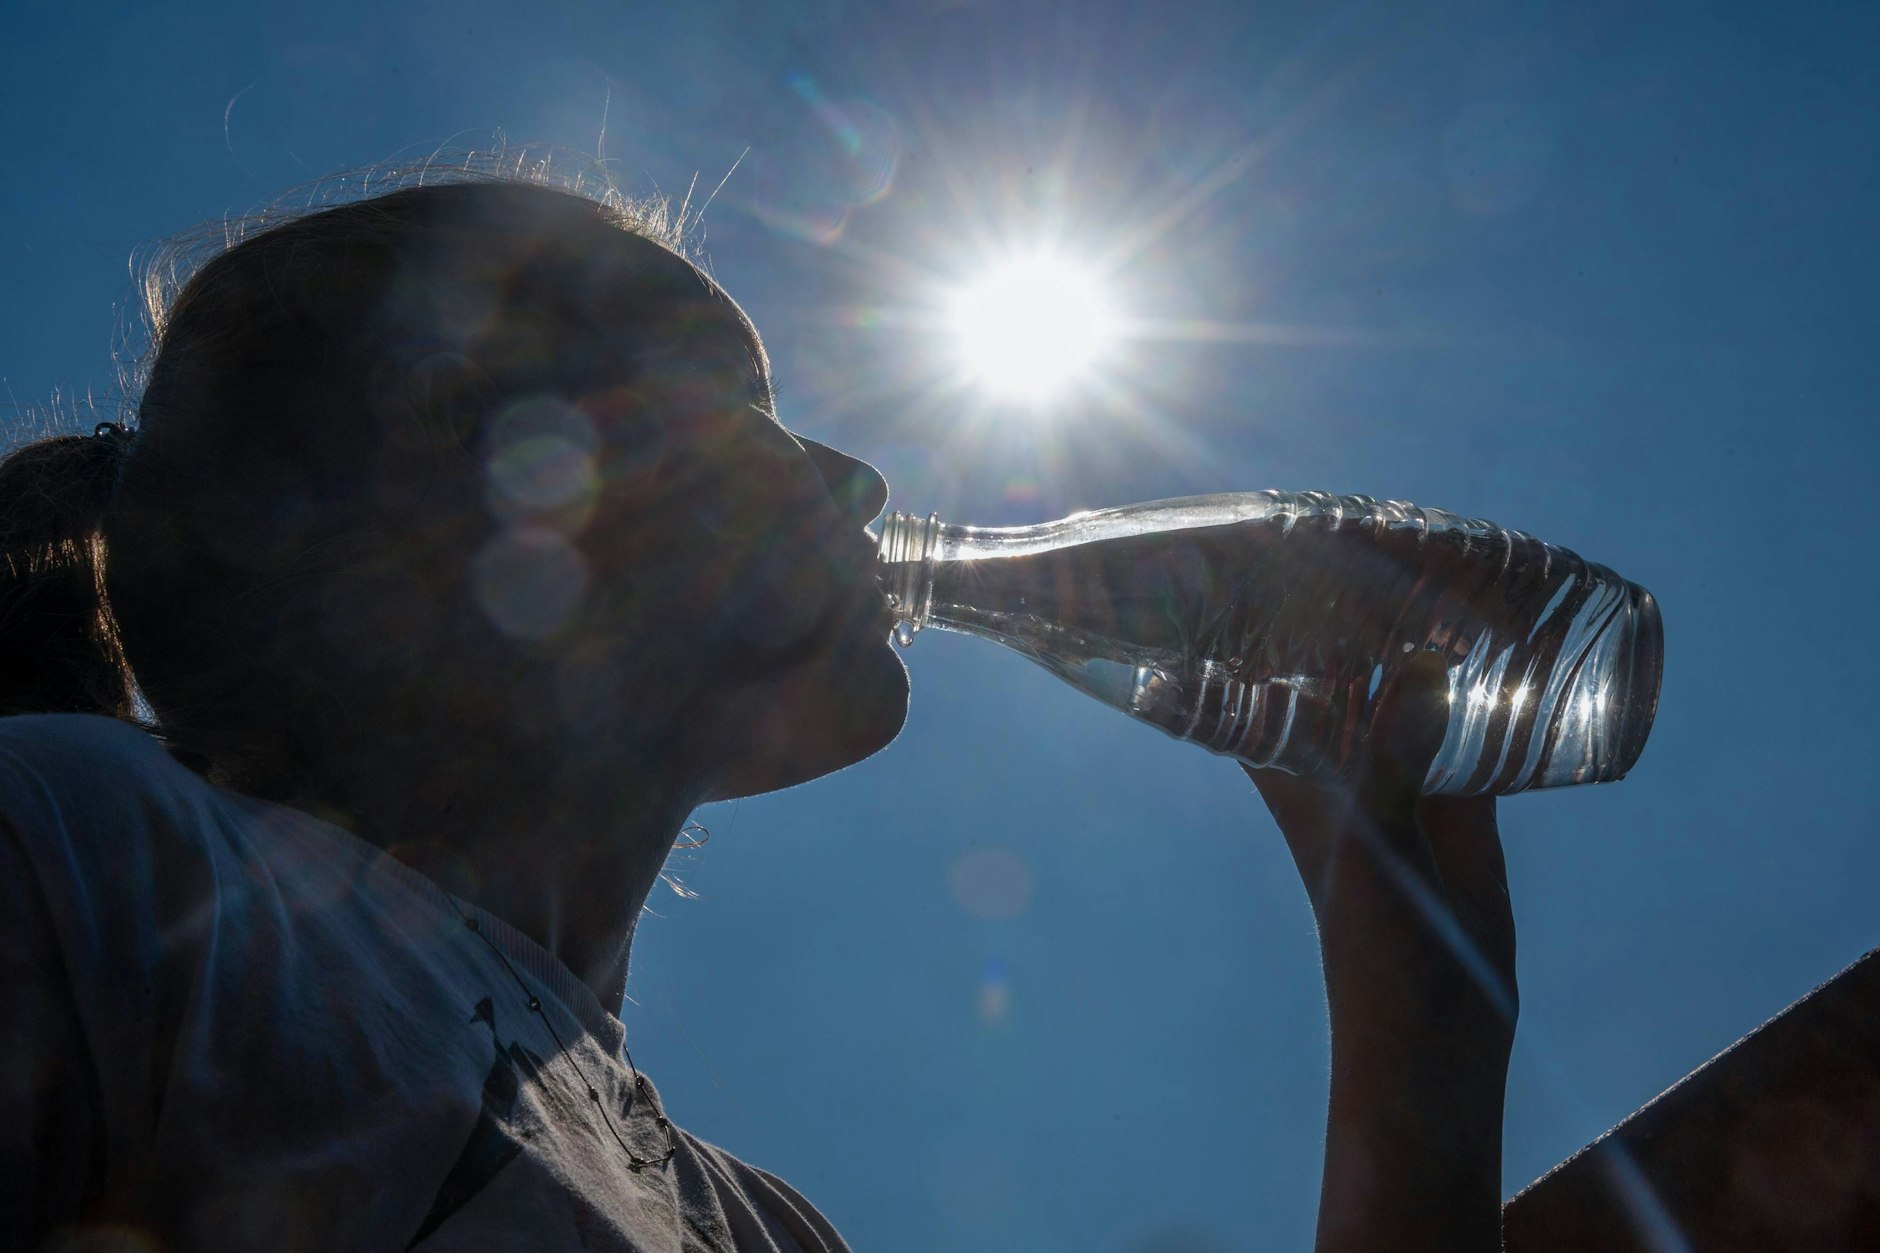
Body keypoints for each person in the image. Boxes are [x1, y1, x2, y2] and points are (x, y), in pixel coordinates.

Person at [0, 167, 1516, 1251]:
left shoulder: (768, 1228)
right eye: (743, 408)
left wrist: (1422, 998)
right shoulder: (107, 864)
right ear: (490, 494)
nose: (856, 480)